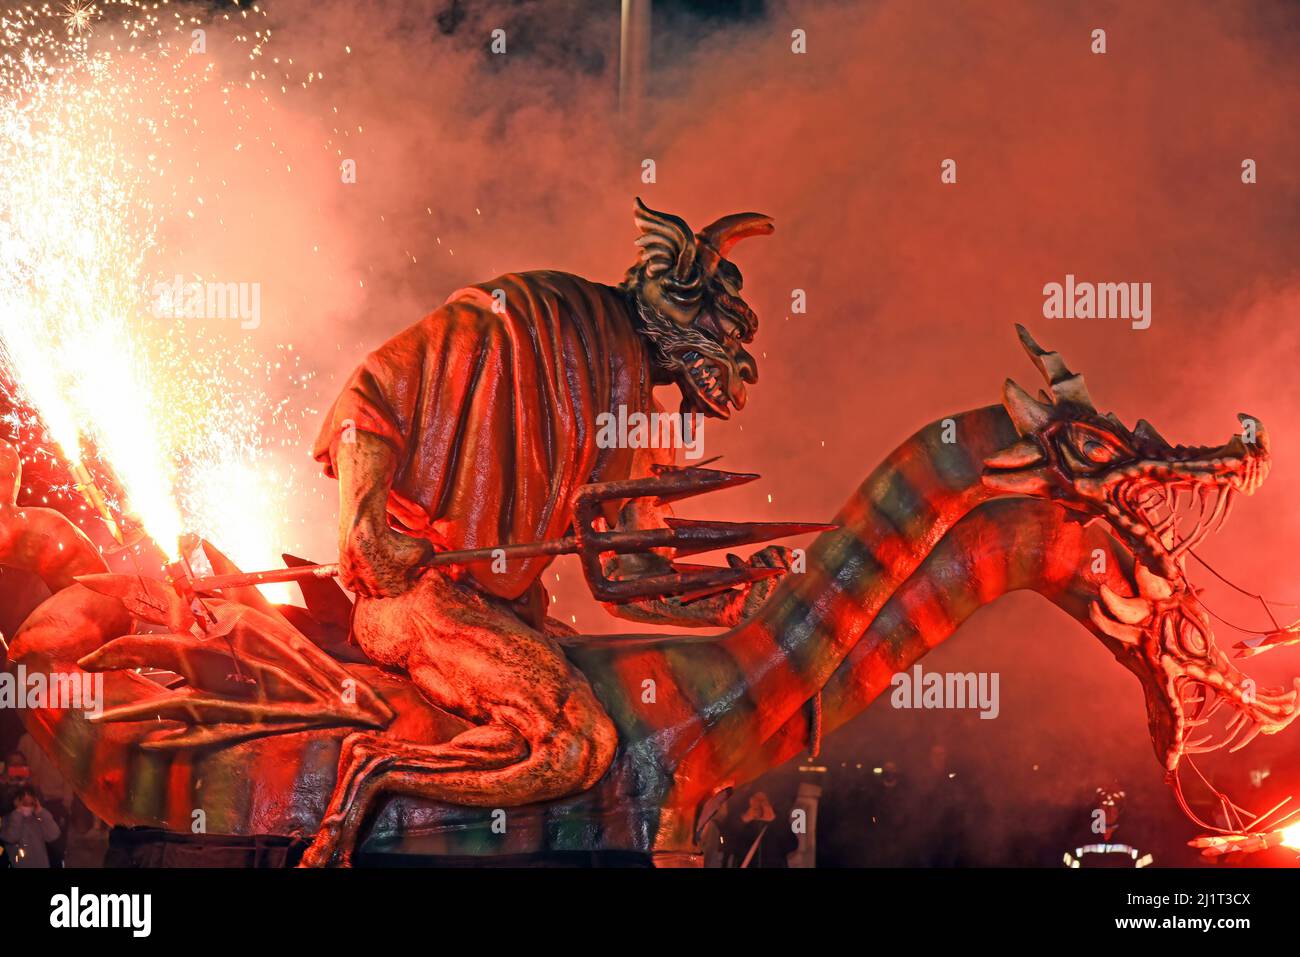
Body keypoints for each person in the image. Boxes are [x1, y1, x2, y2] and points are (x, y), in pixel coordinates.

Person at [1, 785, 61, 868]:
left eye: (31, 802)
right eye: (24, 802)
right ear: (16, 801)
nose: (27, 805)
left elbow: (54, 835)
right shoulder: (6, 821)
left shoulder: (38, 819)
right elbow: (11, 837)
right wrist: (17, 814)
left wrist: (40, 811)